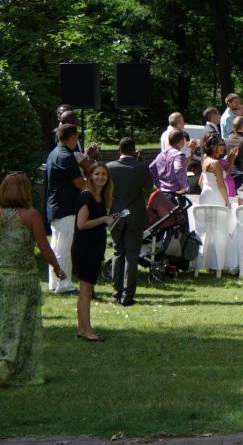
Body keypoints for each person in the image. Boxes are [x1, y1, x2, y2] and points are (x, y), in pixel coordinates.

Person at [0, 172, 66, 385]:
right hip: (23, 279)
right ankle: (16, 369)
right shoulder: (30, 215)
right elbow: (44, 246)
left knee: (4, 323)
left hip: (1, 276)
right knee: (23, 324)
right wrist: (57, 268)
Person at [106, 138, 154, 307]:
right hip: (135, 214)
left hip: (116, 214)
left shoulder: (109, 167)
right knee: (132, 255)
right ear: (134, 150)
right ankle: (128, 295)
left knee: (118, 252)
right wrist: (140, 162)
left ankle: (115, 292)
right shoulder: (141, 167)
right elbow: (149, 187)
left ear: (119, 149)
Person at [73, 162, 115, 342]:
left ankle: (82, 328)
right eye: (97, 174)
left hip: (95, 247)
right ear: (90, 176)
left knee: (87, 290)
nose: (100, 177)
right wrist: (104, 219)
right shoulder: (87, 196)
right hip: (85, 248)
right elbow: (81, 224)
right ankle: (87, 330)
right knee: (86, 291)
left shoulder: (101, 197)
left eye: (104, 175)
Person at [44, 124, 84, 294]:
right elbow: (79, 183)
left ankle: (54, 283)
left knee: (56, 247)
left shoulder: (54, 153)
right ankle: (64, 284)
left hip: (55, 206)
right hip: (66, 207)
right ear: (73, 137)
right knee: (64, 249)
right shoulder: (67, 156)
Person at [150, 130, 190, 196]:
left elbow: (151, 167)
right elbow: (179, 169)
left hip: (163, 192)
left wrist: (159, 184)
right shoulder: (178, 155)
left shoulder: (161, 154)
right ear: (181, 141)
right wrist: (185, 187)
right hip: (176, 192)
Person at [199, 136, 235, 206]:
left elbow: (200, 182)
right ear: (213, 147)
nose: (223, 147)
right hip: (216, 199)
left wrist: (231, 160)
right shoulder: (215, 163)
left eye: (223, 145)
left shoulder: (206, 158)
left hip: (206, 196)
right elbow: (221, 185)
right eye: (220, 145)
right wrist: (227, 202)